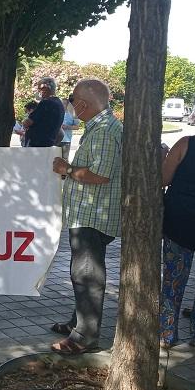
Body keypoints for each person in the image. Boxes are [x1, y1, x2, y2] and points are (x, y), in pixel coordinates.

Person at [49, 79, 122, 354]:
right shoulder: (103, 127)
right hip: (89, 213)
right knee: (82, 271)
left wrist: (67, 170)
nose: (71, 106)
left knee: (86, 274)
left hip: (93, 215)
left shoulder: (103, 131)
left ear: (83, 103)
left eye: (72, 100)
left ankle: (84, 336)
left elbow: (101, 175)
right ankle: (78, 323)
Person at [158, 99, 195, 350]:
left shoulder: (185, 144)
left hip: (179, 223)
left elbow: (164, 178)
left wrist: (161, 157)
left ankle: (167, 334)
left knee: (173, 280)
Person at [23, 77, 65, 147]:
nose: (38, 91)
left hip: (37, 144)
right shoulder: (59, 103)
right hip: (50, 142)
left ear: (45, 88)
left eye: (39, 89)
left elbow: (28, 122)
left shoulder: (46, 103)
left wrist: (25, 123)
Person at [60, 94, 81, 160]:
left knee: (65, 159)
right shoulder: (56, 114)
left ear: (67, 105)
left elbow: (77, 127)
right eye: (61, 104)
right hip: (56, 140)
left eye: (64, 104)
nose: (62, 105)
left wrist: (67, 127)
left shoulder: (72, 114)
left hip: (66, 140)